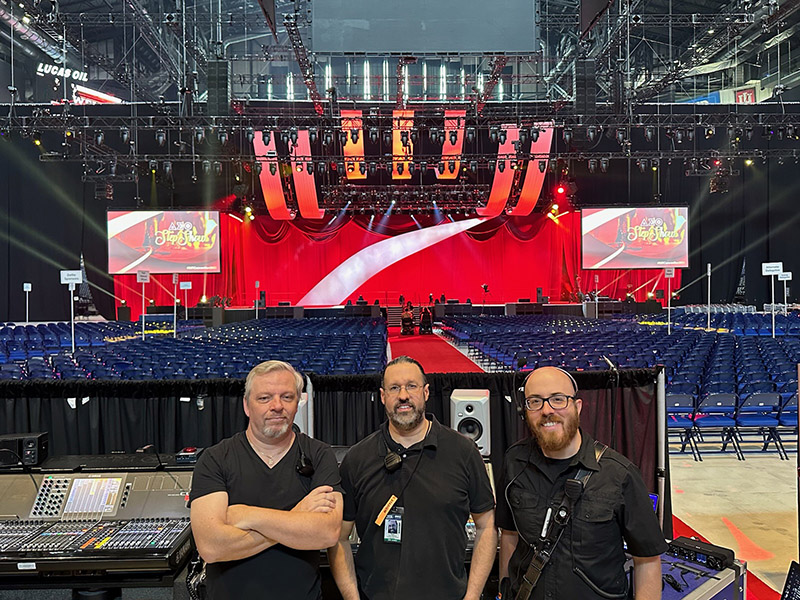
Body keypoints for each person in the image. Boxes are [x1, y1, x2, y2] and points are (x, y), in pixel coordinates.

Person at [328, 356, 497, 600]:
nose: (403, 395)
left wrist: (471, 597)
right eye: (394, 388)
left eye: (411, 386)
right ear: (383, 396)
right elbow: (339, 538)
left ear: (426, 392)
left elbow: (486, 527)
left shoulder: (463, 451)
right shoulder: (357, 459)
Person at [497, 366, 666, 600]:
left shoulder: (620, 475)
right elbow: (509, 534)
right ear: (525, 411)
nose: (547, 410)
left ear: (577, 407)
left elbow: (647, 560)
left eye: (558, 399)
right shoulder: (514, 461)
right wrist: (504, 591)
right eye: (535, 401)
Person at [189, 360, 343, 600]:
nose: (277, 406)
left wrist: (247, 515)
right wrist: (298, 516)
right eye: (264, 398)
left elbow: (327, 533)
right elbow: (211, 547)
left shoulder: (320, 454)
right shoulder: (216, 459)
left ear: (297, 403)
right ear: (246, 406)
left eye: (287, 397)